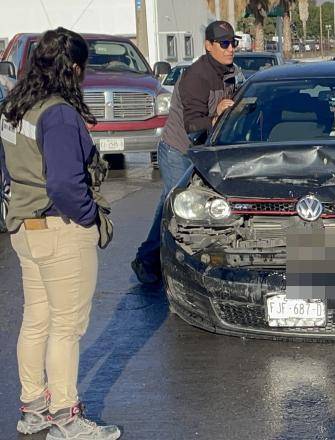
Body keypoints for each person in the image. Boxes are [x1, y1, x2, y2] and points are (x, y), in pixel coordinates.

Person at [0, 28, 120, 439]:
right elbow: (66, 185)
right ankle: (66, 416)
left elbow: (6, 165)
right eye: (82, 68)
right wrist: (87, 217)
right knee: (66, 327)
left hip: (24, 228)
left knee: (37, 320)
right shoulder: (60, 115)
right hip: (59, 229)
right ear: (72, 68)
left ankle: (33, 407)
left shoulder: (15, 106)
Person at [132, 20, 240, 284]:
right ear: (208, 45)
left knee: (177, 206)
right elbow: (192, 125)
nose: (230, 49)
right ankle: (153, 264)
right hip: (178, 150)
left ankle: (153, 258)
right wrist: (219, 115)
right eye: (224, 43)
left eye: (233, 43)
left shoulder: (232, 72)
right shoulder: (196, 76)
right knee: (175, 208)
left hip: (206, 151)